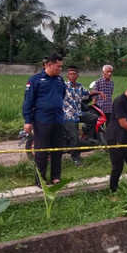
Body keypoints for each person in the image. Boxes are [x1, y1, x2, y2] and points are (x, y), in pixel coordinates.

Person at [23, 54, 66, 185]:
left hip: (58, 119)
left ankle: (56, 176)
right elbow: (28, 101)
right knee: (41, 151)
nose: (60, 69)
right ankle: (40, 179)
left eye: (61, 67)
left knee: (57, 150)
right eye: (58, 66)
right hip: (42, 120)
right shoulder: (36, 80)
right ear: (49, 65)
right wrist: (28, 120)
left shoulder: (60, 80)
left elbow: (62, 96)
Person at [62, 65, 105, 167]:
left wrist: (98, 92)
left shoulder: (80, 87)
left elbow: (88, 93)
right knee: (74, 136)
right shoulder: (63, 86)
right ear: (67, 75)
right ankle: (75, 158)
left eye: (74, 74)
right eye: (70, 74)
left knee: (94, 117)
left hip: (78, 112)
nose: (72, 76)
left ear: (77, 75)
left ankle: (86, 135)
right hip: (68, 115)